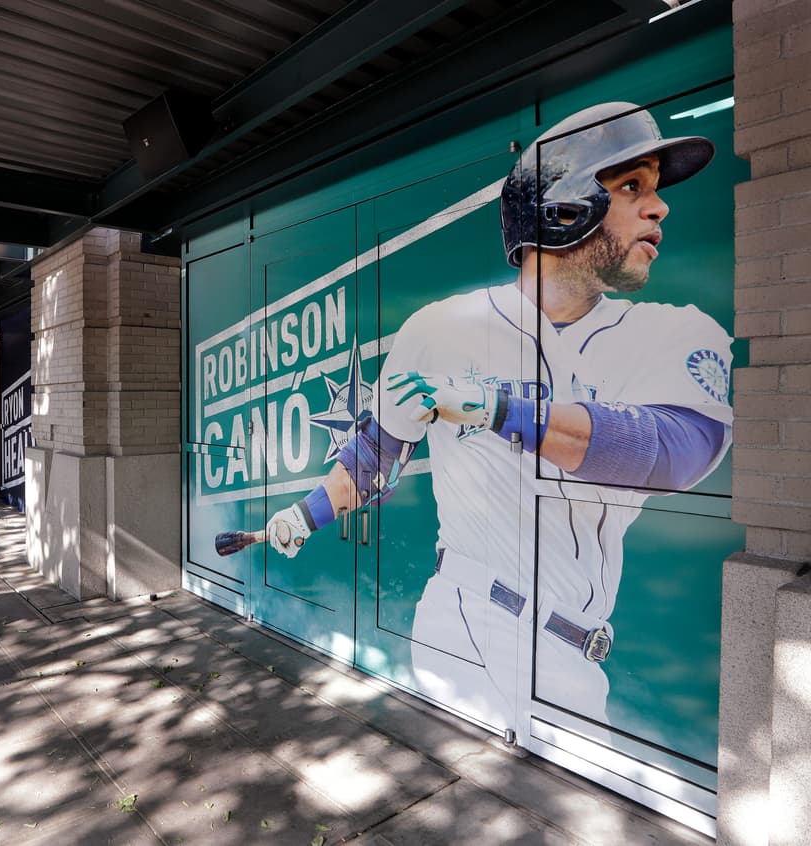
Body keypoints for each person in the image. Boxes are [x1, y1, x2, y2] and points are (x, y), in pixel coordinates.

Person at [262, 102, 733, 729]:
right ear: (564, 207)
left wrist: (498, 408)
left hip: (578, 649)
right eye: (631, 186)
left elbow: (676, 451)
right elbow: (375, 456)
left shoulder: (672, 332)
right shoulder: (440, 328)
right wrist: (304, 515)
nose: (659, 207)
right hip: (468, 621)